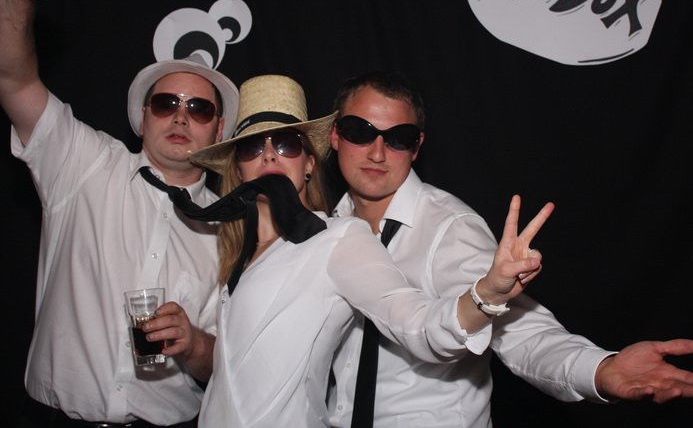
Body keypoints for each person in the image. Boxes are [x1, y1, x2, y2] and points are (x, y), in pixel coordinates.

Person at [326, 72, 693, 427]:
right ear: (335, 136)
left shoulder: (449, 228)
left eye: (398, 138)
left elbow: (520, 331)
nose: (377, 152)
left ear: (417, 147)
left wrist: (599, 370)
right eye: (360, 131)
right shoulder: (329, 228)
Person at [180, 74, 550, 427]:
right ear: (238, 168)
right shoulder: (235, 251)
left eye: (285, 144)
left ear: (309, 162)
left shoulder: (337, 238)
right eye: (252, 147)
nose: (269, 157)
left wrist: (484, 297)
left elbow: (412, 319)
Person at [1, 0, 239, 427]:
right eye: (166, 103)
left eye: (198, 109)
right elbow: (14, 81)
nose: (180, 117)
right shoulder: (84, 162)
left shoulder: (228, 232)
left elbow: (228, 364)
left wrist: (193, 343)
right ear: (143, 117)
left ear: (218, 129)